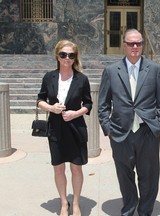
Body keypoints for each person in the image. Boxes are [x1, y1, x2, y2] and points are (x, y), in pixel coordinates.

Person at [98, 29, 160, 216]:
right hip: (121, 133)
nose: (135, 47)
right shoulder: (111, 71)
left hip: (148, 132)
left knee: (149, 176)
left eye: (138, 43)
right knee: (125, 176)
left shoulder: (155, 69)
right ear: (124, 45)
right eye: (131, 43)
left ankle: (145, 211)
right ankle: (129, 209)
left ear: (143, 45)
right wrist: (108, 128)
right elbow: (103, 104)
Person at [37, 40, 93, 216]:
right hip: (56, 129)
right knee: (58, 167)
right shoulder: (49, 77)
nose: (67, 58)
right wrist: (51, 108)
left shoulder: (82, 79)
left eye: (71, 55)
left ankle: (75, 203)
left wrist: (75, 113)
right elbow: (40, 100)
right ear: (57, 56)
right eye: (63, 54)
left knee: (76, 167)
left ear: (75, 57)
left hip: (75, 128)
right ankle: (63, 203)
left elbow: (89, 104)